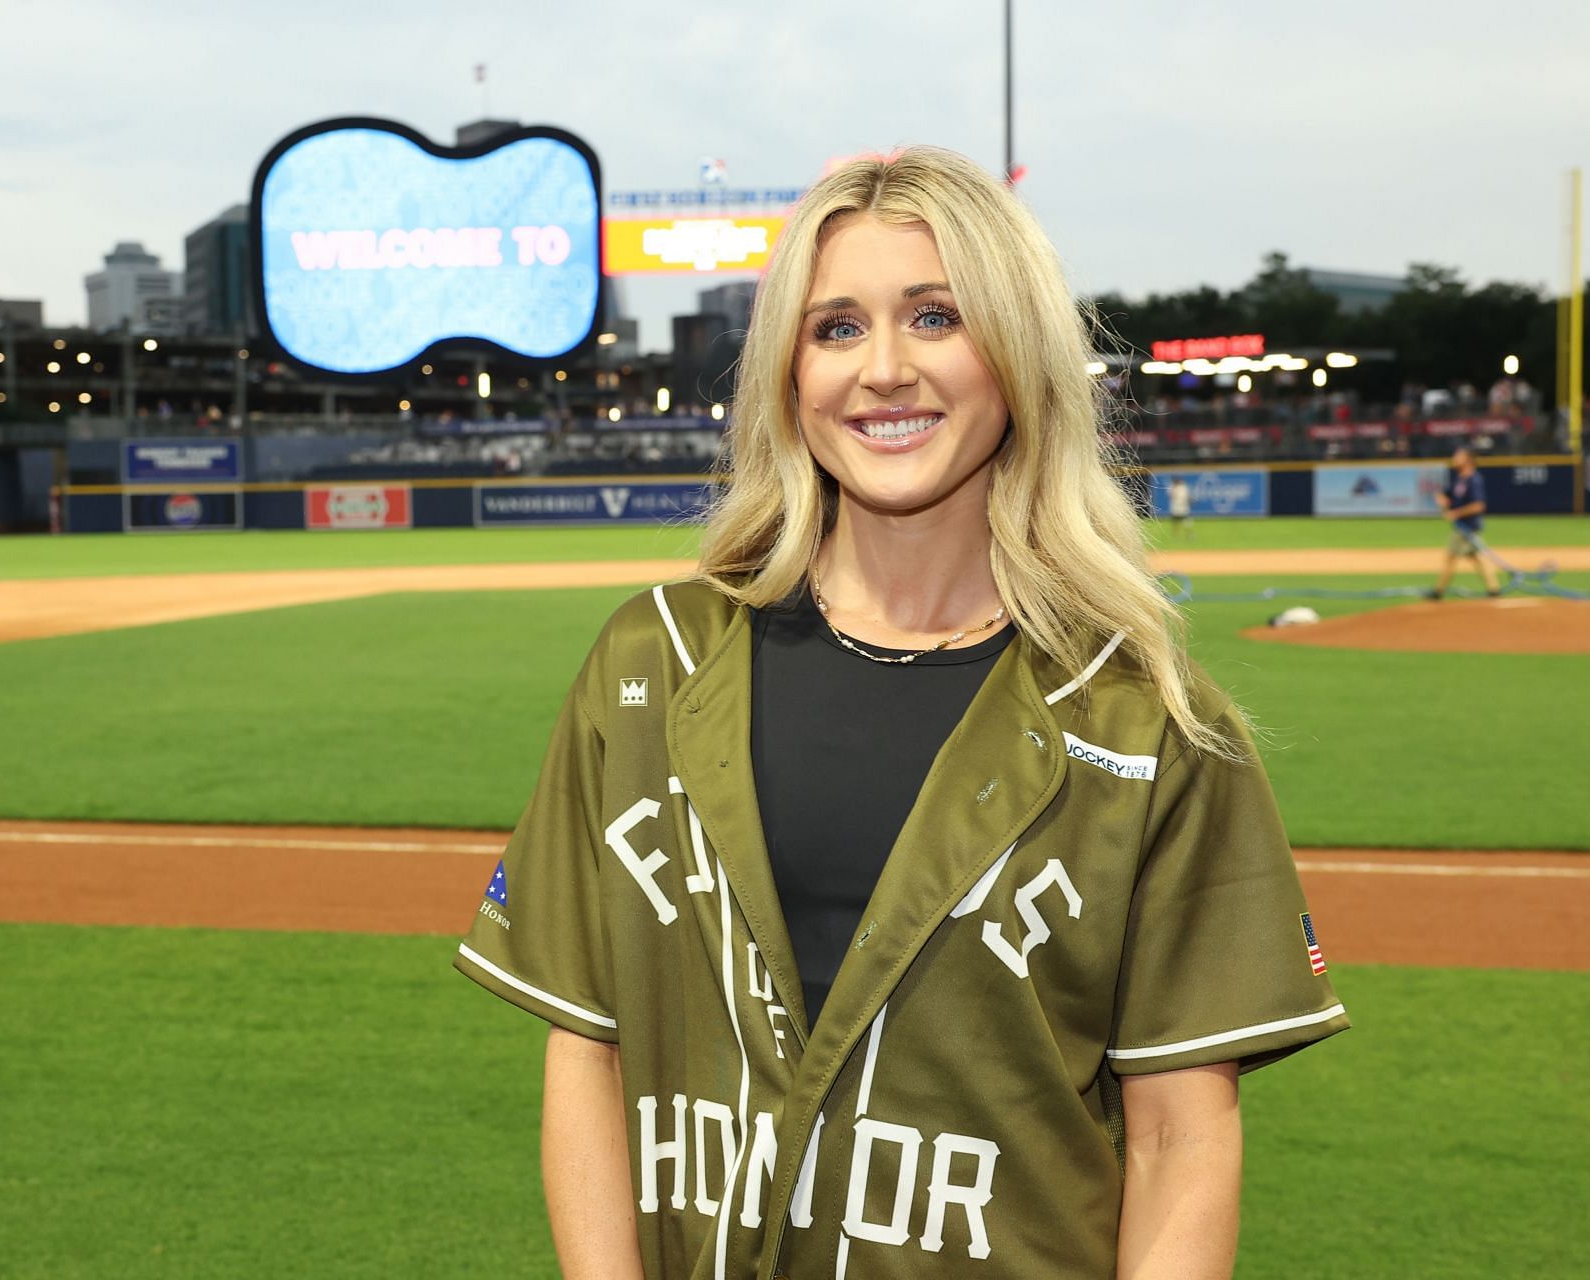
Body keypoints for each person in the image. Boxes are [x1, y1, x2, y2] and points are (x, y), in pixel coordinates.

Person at [454, 147, 1346, 1280]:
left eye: (936, 316)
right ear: (786, 372)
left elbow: (1180, 1138)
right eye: (835, 328)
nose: (883, 369)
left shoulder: (1141, 722)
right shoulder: (654, 662)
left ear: (1017, 355)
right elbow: (589, 1047)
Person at [1429, 446, 1502, 598]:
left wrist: (1456, 513)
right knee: (1475, 557)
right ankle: (1494, 589)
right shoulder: (1460, 478)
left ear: (1468, 460)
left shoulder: (1474, 480)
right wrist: (1442, 498)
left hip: (1468, 527)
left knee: (1451, 557)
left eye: (1458, 456)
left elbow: (1478, 505)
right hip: (1462, 526)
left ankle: (1438, 592)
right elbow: (1448, 496)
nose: (1454, 459)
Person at [1166, 473, 1194, 541]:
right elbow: (1170, 496)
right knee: (1175, 522)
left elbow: (1188, 496)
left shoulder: (1183, 487)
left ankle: (1189, 535)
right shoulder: (1172, 487)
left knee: (1187, 521)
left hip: (1184, 507)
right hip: (1175, 507)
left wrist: (1190, 500)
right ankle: (1175, 535)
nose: (1178, 481)